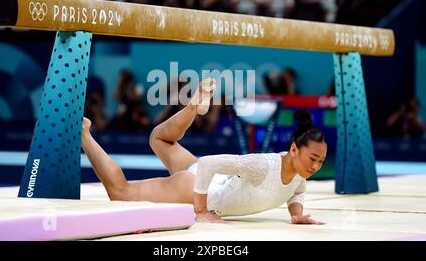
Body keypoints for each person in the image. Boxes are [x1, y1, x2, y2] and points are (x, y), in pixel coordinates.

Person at [81, 78, 327, 224]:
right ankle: (84, 133)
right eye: (313, 159)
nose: (316, 167)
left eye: (321, 162)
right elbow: (209, 163)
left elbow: (297, 192)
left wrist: (297, 215)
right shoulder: (263, 165)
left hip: (209, 182)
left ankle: (192, 107)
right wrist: (201, 211)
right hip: (198, 189)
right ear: (293, 149)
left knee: (159, 139)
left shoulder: (299, 175)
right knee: (120, 193)